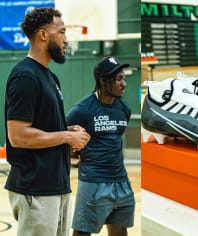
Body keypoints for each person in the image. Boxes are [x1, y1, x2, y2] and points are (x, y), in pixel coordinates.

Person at [4, 7, 90, 236]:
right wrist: (67, 136)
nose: (65, 38)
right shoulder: (25, 76)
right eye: (61, 31)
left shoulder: (50, 77)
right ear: (43, 35)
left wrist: (67, 131)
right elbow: (19, 136)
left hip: (57, 186)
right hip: (35, 187)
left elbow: (43, 127)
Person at [67, 56, 135, 236]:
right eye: (119, 79)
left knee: (120, 232)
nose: (124, 84)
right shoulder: (82, 109)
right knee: (82, 233)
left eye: (124, 78)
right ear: (104, 81)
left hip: (121, 180)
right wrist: (71, 157)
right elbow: (62, 135)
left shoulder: (124, 108)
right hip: (93, 181)